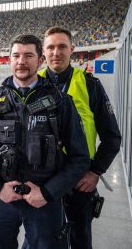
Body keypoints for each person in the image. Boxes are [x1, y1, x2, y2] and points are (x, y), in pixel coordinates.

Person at [0, 34, 90, 249]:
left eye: (28, 55)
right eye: (16, 55)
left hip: (45, 200)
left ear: (40, 60)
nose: (21, 61)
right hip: (2, 199)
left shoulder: (61, 101)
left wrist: (48, 192)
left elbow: (80, 157)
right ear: (9, 60)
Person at [39, 27, 121, 249]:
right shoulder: (32, 85)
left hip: (79, 180)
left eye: (62, 46)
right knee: (43, 239)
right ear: (43, 52)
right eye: (51, 47)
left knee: (79, 239)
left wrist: (95, 171)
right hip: (42, 180)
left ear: (72, 50)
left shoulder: (89, 84)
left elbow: (112, 137)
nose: (56, 52)